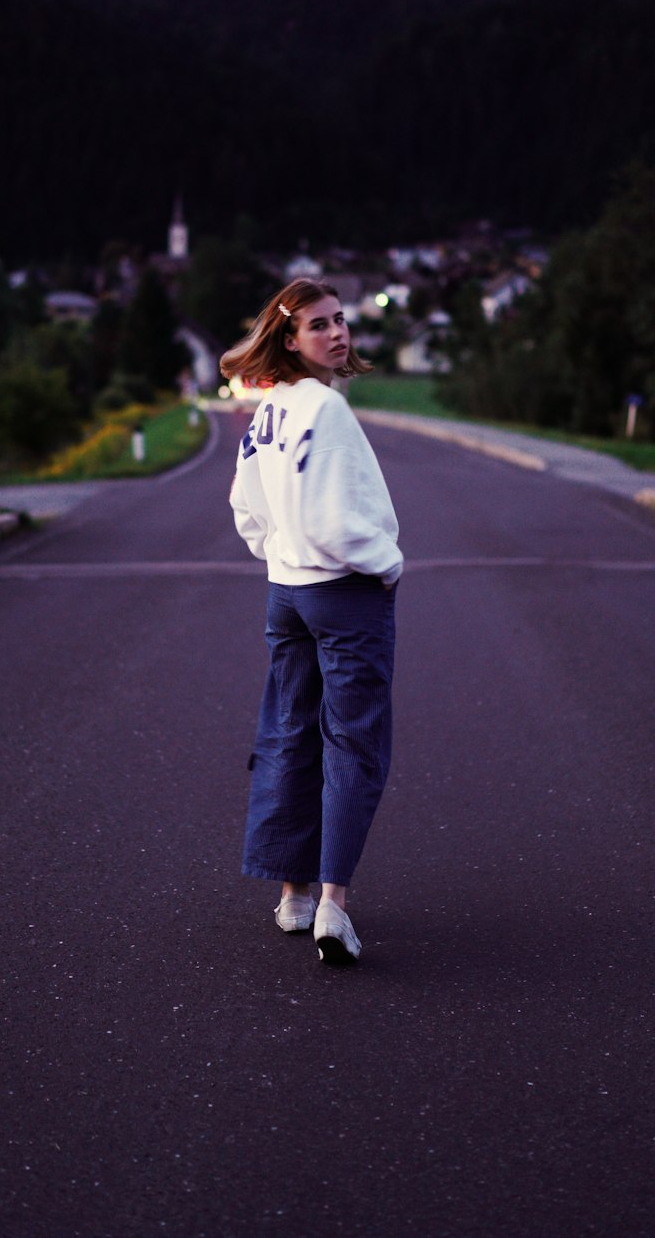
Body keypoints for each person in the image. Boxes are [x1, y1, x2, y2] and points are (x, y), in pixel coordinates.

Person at [220, 278, 403, 965]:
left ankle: (291, 894)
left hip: (286, 591)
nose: (337, 334)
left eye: (340, 320)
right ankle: (333, 907)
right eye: (319, 326)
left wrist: (278, 553)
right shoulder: (326, 410)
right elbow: (340, 517)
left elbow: (246, 505)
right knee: (352, 743)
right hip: (342, 591)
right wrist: (384, 564)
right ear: (290, 340)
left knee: (289, 733)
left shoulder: (268, 407)